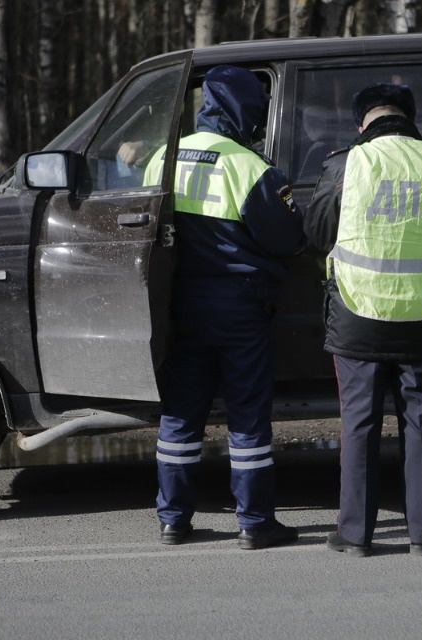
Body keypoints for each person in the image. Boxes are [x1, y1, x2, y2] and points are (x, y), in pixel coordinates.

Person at [141, 65, 305, 549]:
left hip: (180, 304)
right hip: (238, 307)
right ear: (246, 109)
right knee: (248, 415)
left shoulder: (162, 158)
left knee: (181, 413)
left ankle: (173, 519)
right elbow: (287, 239)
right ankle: (255, 524)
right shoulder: (249, 167)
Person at [304, 82, 422, 557]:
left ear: (363, 122)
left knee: (359, 423)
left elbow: (317, 233)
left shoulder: (347, 162)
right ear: (408, 118)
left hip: (360, 312)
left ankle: (355, 536)